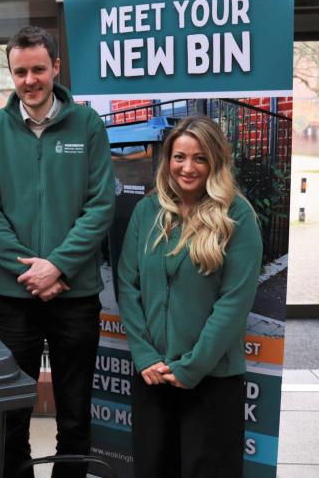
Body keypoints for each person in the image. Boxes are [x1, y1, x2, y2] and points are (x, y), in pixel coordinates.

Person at [0, 26, 115, 478]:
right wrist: (31, 272)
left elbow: (100, 205)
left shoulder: (87, 125)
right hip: (14, 298)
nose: (29, 80)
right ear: (10, 74)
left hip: (74, 294)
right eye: (20, 71)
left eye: (38, 69)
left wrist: (59, 265)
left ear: (56, 67)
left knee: (75, 410)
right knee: (13, 411)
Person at [117, 116, 262, 478]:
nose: (188, 167)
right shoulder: (147, 211)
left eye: (199, 158)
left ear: (215, 161)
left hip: (212, 378)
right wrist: (145, 355)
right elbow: (127, 285)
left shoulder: (237, 215)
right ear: (167, 160)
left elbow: (234, 302)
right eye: (179, 157)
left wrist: (192, 366)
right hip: (153, 375)